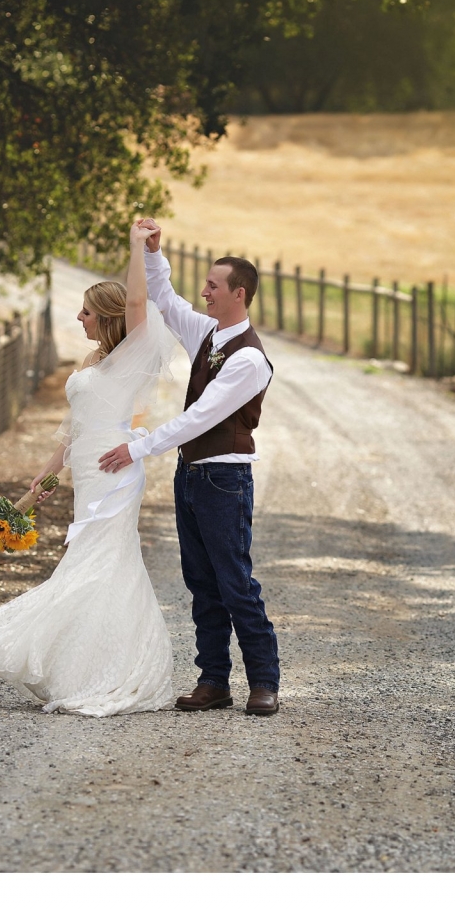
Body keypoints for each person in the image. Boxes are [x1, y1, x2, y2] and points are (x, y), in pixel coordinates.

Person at [0, 223, 177, 717]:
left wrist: (138, 247)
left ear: (110, 317)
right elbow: (74, 427)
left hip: (115, 470)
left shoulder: (131, 357)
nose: (79, 316)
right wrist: (45, 478)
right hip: (87, 471)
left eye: (87, 311)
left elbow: (139, 304)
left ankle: (103, 670)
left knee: (104, 559)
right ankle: (82, 663)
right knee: (92, 559)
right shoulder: (94, 358)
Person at [98, 219, 280, 716]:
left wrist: (136, 449)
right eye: (205, 284)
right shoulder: (209, 334)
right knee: (201, 582)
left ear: (238, 294)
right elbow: (166, 300)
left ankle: (264, 681)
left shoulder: (249, 361)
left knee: (235, 583)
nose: (204, 293)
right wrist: (154, 254)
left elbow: (199, 418)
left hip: (224, 478)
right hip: (191, 475)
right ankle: (213, 681)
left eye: (213, 287)